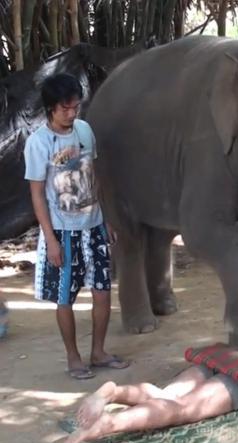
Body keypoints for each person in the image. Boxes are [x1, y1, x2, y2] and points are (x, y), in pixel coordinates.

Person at [64, 279, 238, 443]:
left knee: (167, 395)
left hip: (229, 356)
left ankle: (113, 392)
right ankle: (109, 424)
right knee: (182, 409)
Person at [24, 73, 128, 380]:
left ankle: (99, 352)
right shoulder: (38, 143)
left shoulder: (84, 131)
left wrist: (105, 217)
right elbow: (37, 194)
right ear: (51, 108)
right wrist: (50, 240)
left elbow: (93, 175)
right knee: (65, 297)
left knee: (102, 291)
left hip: (93, 224)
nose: (72, 113)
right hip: (61, 231)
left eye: (76, 107)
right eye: (66, 108)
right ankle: (73, 357)